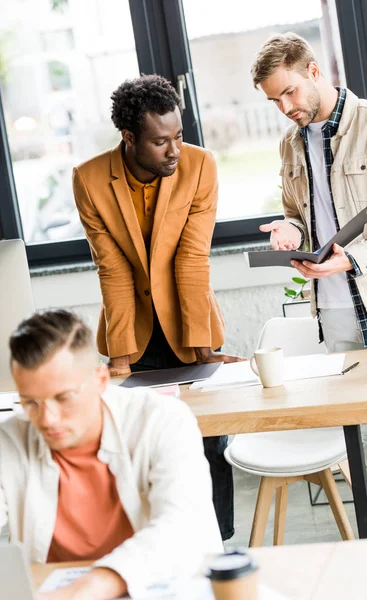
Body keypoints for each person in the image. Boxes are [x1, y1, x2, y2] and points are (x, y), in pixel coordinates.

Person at [72, 74, 243, 540]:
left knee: (208, 443)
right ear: (129, 138)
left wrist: (205, 351)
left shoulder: (199, 167)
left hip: (192, 327)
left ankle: (218, 547)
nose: (174, 151)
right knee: (140, 446)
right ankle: (155, 549)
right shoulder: (89, 179)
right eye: (161, 141)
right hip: (135, 333)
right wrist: (122, 361)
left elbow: (191, 258)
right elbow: (114, 271)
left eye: (180, 136)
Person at [252, 32, 367, 537]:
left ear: (313, 71)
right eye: (274, 100)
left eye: (289, 92)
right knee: (359, 433)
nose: (284, 107)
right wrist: (289, 229)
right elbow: (298, 211)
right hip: (333, 309)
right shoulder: (289, 143)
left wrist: (350, 260)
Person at [0, 310, 222, 600]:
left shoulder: (163, 419)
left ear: (100, 379)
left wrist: (90, 588)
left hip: (162, 587)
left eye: (63, 397)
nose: (47, 419)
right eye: (30, 402)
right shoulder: (9, 438)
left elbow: (180, 527)